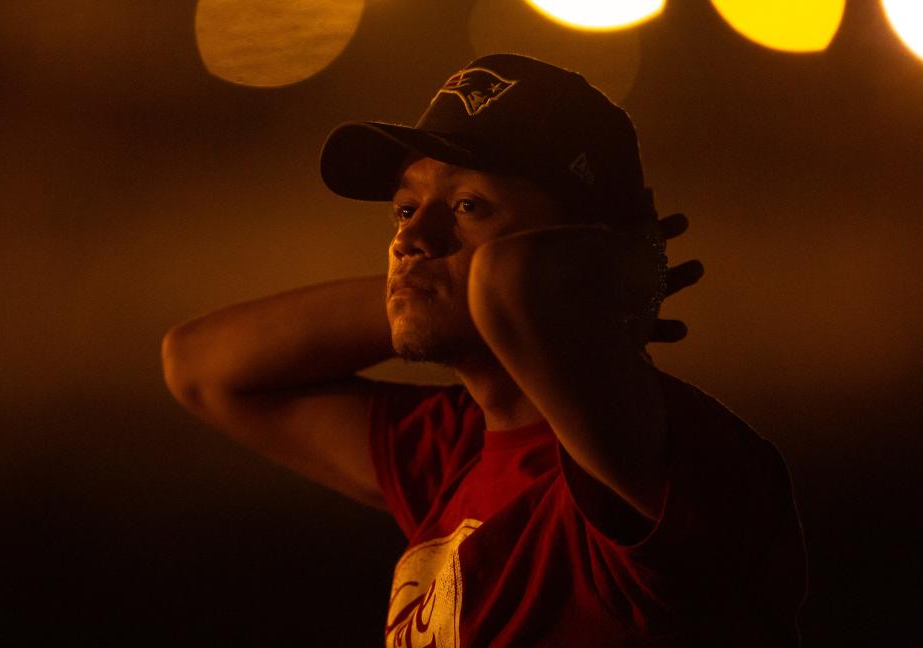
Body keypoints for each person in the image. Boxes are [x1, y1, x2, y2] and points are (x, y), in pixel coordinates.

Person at [162, 54, 806, 646]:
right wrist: (423, 288)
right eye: (404, 210)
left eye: (469, 205)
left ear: (582, 250)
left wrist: (570, 291)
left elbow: (508, 283)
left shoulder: (672, 457)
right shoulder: (455, 449)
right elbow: (200, 365)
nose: (412, 235)